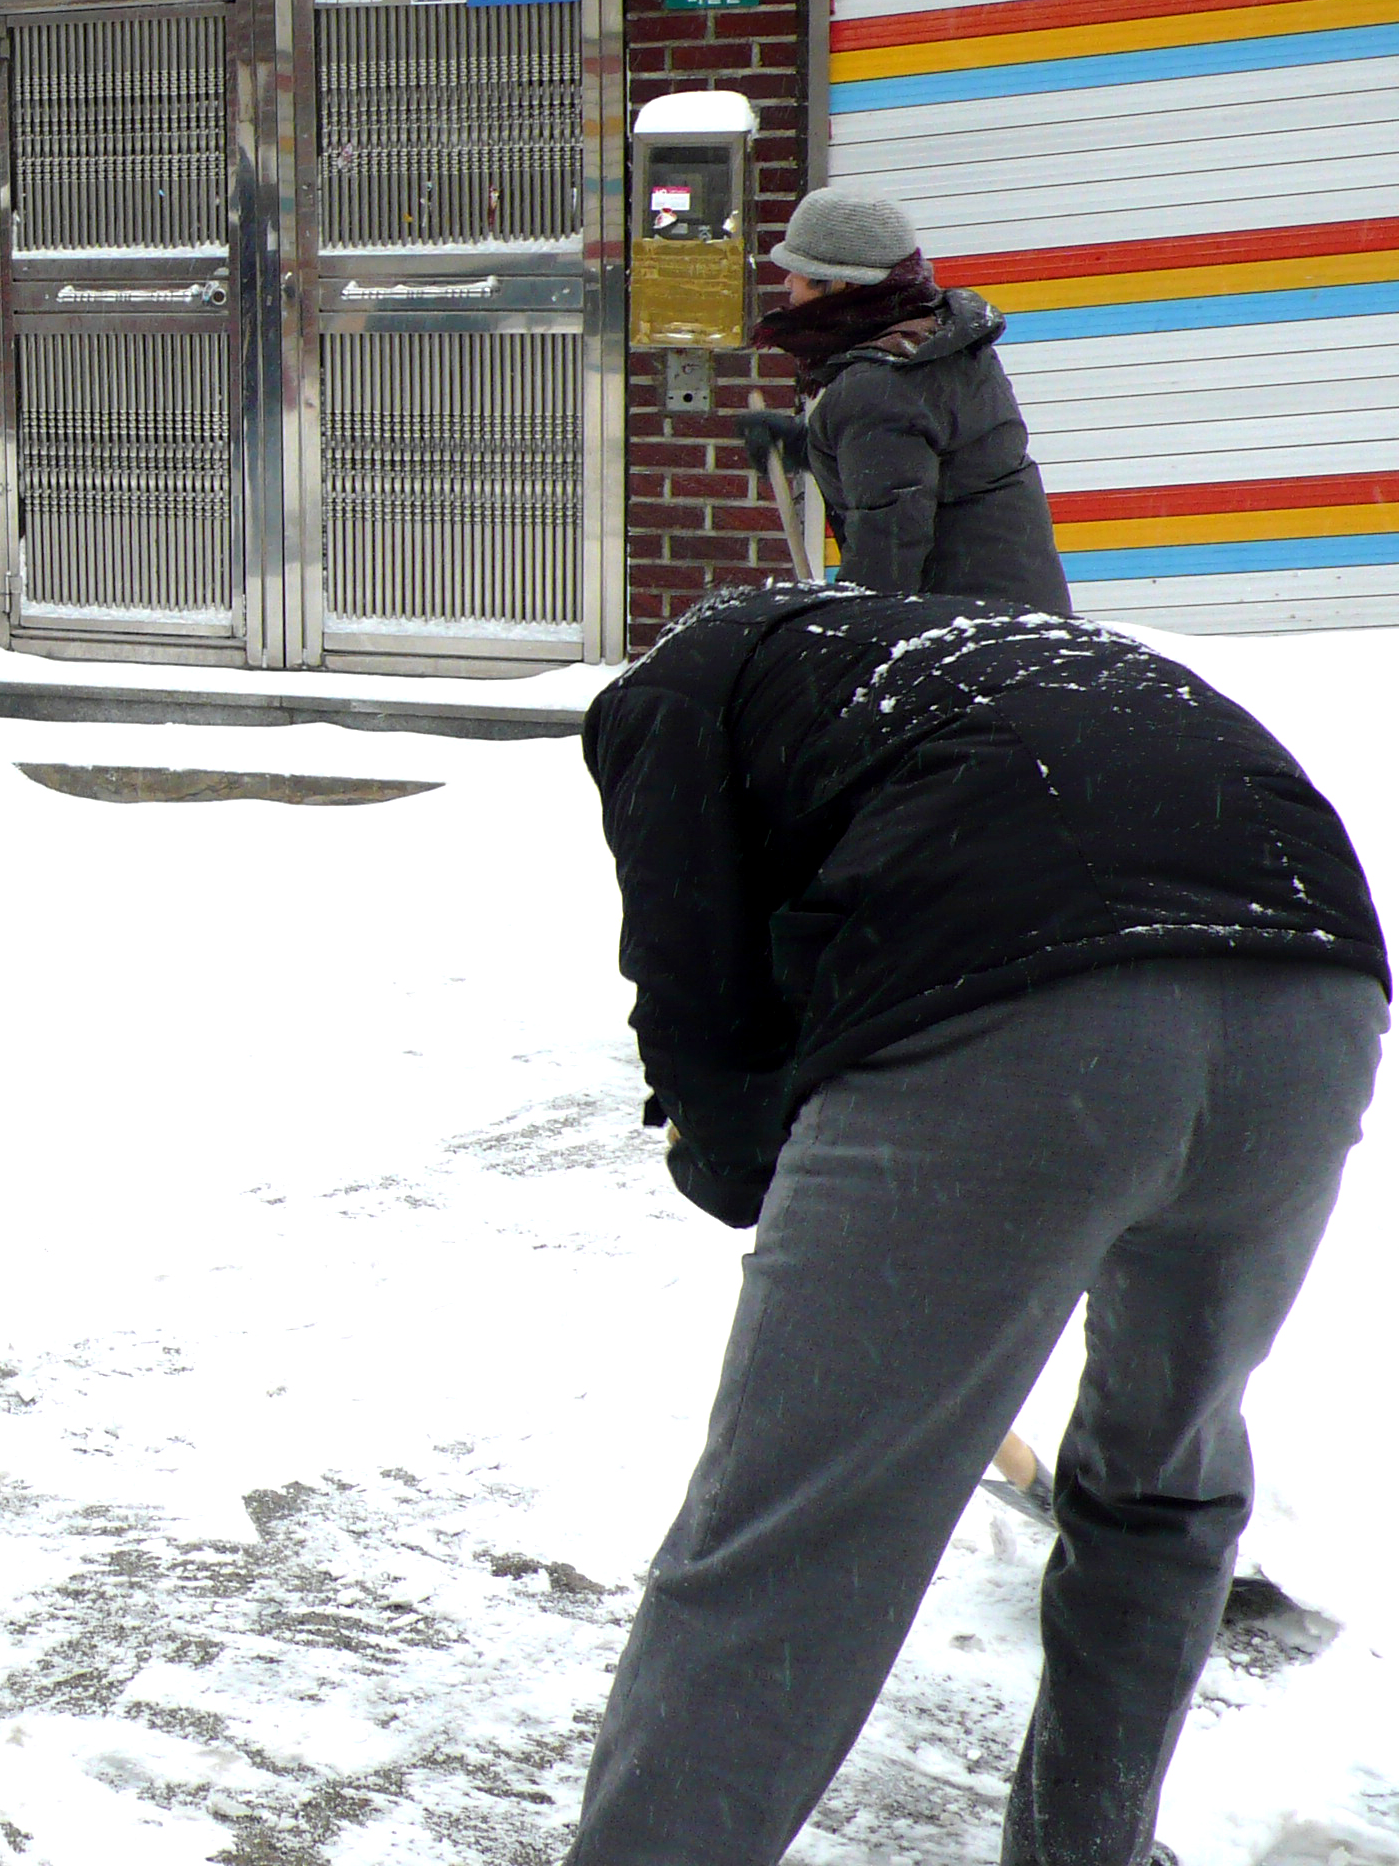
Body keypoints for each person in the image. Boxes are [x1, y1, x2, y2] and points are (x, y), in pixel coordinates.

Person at [573, 586, 1383, 1866]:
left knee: (795, 1535)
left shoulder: (668, 689)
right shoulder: (994, 665)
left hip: (1025, 1016)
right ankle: (1085, 1853)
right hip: (1312, 1001)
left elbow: (693, 985)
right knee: (1161, 1488)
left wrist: (741, 1165)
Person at [744, 186, 1070, 611]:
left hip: (963, 633)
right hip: (1018, 611)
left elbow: (890, 540)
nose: (787, 282)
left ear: (841, 282)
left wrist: (849, 635)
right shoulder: (940, 342)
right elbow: (929, 460)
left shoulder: (878, 383)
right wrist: (807, 446)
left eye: (800, 271)